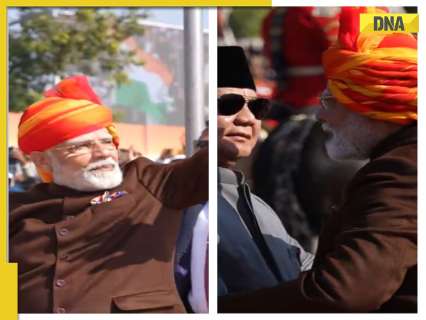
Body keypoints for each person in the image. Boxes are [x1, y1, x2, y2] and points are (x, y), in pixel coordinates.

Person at [219, 7, 417, 313]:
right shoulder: (356, 9)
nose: (323, 115)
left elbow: (345, 291)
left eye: (331, 103)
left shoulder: (283, 14)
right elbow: (402, 35)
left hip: (301, 99)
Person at [9, 75, 208, 313]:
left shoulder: (148, 182)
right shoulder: (15, 208)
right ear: (42, 159)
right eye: (81, 146)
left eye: (107, 142)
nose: (103, 153)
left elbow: (207, 165)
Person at [217, 46, 314, 298]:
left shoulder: (261, 207)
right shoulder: (183, 206)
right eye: (229, 105)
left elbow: (312, 273)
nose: (247, 119)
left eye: (257, 107)